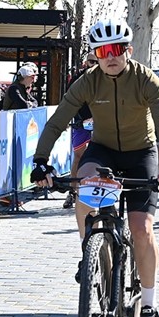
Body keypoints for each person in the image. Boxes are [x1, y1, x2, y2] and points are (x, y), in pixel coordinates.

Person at [30, 18, 159, 317]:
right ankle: (91, 253)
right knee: (84, 187)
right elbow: (58, 120)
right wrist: (40, 161)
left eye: (116, 49)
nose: (109, 57)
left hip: (141, 153)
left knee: (141, 228)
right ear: (95, 55)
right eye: (102, 51)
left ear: (128, 50)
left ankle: (151, 305)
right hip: (103, 151)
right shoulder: (88, 81)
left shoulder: (146, 80)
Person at [63, 52, 99, 209]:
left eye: (96, 62)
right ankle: (72, 192)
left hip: (102, 123)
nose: (93, 65)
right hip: (81, 123)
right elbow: (69, 100)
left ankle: (99, 190)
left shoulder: (108, 78)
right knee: (78, 157)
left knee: (102, 157)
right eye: (91, 62)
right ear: (86, 62)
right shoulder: (79, 78)